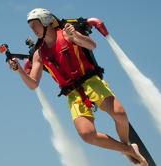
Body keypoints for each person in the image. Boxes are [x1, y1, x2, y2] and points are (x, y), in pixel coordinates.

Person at [8, 8, 148, 166]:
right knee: (87, 135)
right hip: (73, 94)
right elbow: (33, 84)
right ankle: (128, 150)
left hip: (91, 82)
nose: (33, 30)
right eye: (31, 27)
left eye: (35, 25)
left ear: (45, 21)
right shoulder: (38, 53)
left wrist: (75, 36)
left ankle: (127, 148)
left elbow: (92, 45)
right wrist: (19, 70)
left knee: (120, 114)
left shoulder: (67, 33)